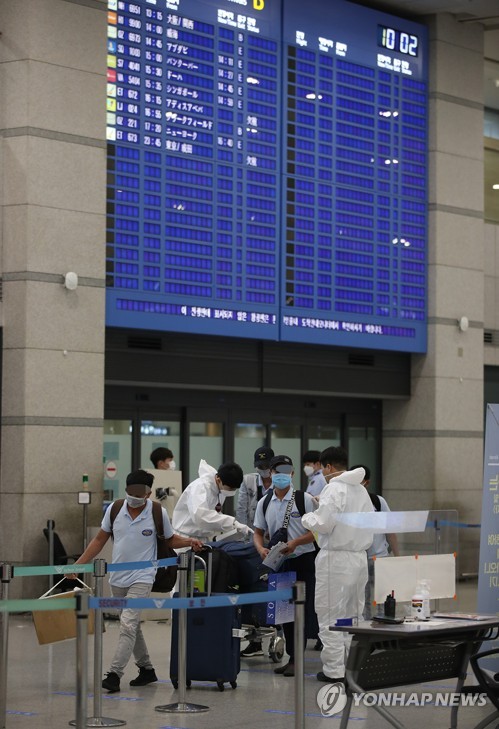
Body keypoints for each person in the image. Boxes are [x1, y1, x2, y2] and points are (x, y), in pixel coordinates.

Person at [72, 469, 203, 693]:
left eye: (138, 492)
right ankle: (146, 669)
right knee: (130, 624)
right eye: (130, 491)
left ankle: (114, 674)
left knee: (127, 624)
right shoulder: (114, 509)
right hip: (117, 578)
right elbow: (99, 539)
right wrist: (78, 564)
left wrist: (189, 541)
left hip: (144, 576)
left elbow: (170, 540)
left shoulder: (156, 512)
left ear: (148, 493)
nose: (133, 497)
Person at [301, 446, 374, 683]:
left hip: (336, 558)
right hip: (359, 558)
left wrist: (307, 517)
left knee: (330, 613)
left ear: (329, 467)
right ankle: (352, 667)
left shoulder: (333, 488)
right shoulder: (360, 490)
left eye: (322, 468)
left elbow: (323, 524)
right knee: (352, 616)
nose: (321, 473)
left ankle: (334, 670)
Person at [253, 455, 317, 678]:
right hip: (279, 562)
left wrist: (296, 543)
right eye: (277, 470)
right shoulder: (265, 502)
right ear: (270, 473)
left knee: (303, 611)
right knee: (284, 613)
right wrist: (261, 549)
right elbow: (258, 532)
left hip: (303, 561)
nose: (281, 474)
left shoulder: (304, 499)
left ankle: (298, 659)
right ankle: (292, 658)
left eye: (286, 470)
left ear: (292, 473)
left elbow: (316, 531)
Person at [237, 446, 274, 658]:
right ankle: (255, 641)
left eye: (266, 466)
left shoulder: (282, 480)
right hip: (253, 540)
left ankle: (272, 635)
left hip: (274, 543)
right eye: (260, 466)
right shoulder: (249, 481)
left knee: (268, 590)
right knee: (252, 587)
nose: (263, 470)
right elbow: (241, 510)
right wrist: (247, 538)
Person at [350, 464, 400, 619]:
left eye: (360, 479)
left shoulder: (378, 502)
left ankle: (382, 631)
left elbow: (390, 530)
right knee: (361, 600)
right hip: (358, 559)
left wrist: (397, 556)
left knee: (382, 598)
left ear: (367, 482)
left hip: (379, 558)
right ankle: (365, 632)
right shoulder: (349, 502)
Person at [172, 459, 253, 541]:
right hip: (185, 538)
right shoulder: (199, 487)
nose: (232, 492)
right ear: (218, 479)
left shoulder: (220, 489)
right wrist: (232, 523)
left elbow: (215, 514)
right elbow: (201, 517)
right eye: (230, 488)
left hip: (203, 538)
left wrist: (233, 528)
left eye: (234, 489)